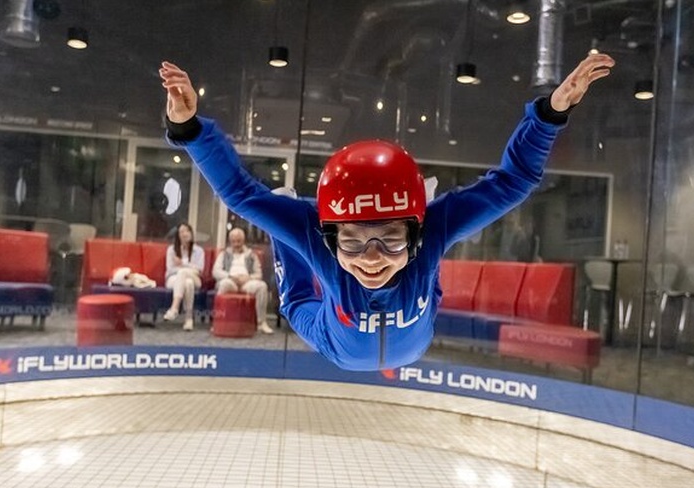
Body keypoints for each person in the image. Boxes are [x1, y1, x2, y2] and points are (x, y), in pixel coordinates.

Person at [159, 53, 614, 370]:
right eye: (354, 241)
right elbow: (238, 193)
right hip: (332, 338)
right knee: (291, 267)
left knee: (286, 218)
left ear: (417, 230)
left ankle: (288, 214)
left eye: (390, 240)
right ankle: (288, 217)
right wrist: (189, 127)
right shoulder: (322, 233)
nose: (372, 258)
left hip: (392, 335)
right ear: (331, 232)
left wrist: (549, 115)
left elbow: (512, 183)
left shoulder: (431, 230)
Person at [212, 227, 275, 334]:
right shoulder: (224, 254)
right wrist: (230, 276)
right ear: (230, 241)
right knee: (223, 284)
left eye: (239, 241)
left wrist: (248, 278)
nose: (236, 244)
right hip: (230, 281)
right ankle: (218, 321)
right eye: (234, 241)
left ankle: (261, 323)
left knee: (262, 286)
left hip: (247, 282)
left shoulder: (251, 255)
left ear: (243, 240)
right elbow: (216, 271)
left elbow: (258, 274)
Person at [163, 222, 205, 331]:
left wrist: (183, 264)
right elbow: (170, 269)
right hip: (173, 278)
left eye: (187, 230)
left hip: (196, 278)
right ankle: (188, 319)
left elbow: (199, 270)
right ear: (178, 235)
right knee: (188, 283)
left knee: (184, 274)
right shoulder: (172, 250)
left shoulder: (199, 251)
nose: (184, 233)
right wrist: (189, 268)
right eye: (181, 231)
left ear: (191, 233)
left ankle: (174, 308)